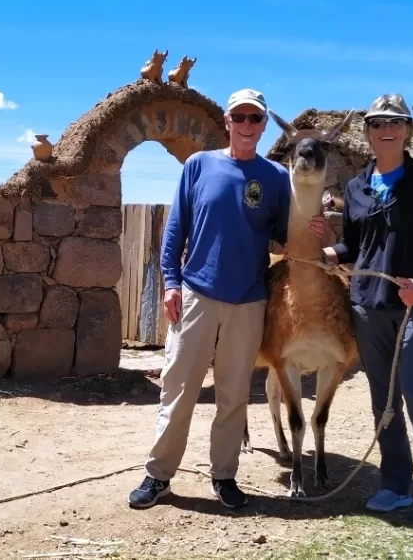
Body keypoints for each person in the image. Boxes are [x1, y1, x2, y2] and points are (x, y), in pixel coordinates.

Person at [128, 88, 291, 510]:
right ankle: (158, 475)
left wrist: (317, 230)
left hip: (249, 301)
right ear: (227, 120)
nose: (247, 125)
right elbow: (175, 229)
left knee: (234, 394)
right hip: (197, 295)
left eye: (255, 119)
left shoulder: (275, 177)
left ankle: (225, 476)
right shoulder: (199, 165)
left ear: (264, 124)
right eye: (240, 117)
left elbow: (284, 238)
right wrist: (171, 283)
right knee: (177, 390)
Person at [310, 93, 413, 535]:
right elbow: (355, 248)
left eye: (395, 122)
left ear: (408, 130)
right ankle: (396, 485)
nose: (386, 129)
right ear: (369, 133)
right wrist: (327, 249)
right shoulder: (357, 188)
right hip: (369, 306)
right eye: (377, 124)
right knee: (384, 402)